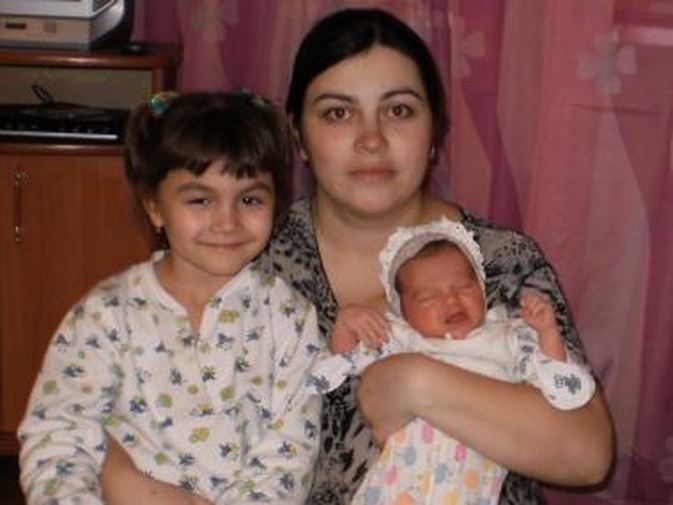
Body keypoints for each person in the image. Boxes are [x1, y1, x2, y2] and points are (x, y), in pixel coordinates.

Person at [100, 7, 614, 505]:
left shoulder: (499, 260)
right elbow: (125, 430)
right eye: (338, 113)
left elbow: (587, 455)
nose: (371, 140)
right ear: (299, 135)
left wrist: (413, 382)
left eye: (399, 110)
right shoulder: (243, 256)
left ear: (435, 132)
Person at [17, 91, 324, 505]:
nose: (227, 221)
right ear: (154, 207)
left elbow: (288, 457)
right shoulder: (105, 314)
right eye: (200, 199)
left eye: (250, 199)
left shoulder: (289, 317)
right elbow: (59, 437)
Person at [308, 218, 596, 504]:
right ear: (402, 312)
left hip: (470, 489)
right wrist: (346, 325)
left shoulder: (507, 336)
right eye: (428, 298)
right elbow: (330, 375)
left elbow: (564, 391)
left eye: (464, 287)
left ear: (482, 289)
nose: (451, 300)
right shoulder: (402, 339)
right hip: (396, 485)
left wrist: (548, 334)